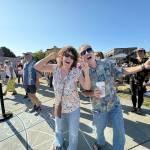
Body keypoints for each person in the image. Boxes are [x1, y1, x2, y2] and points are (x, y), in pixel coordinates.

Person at [79, 44, 150, 150]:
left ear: (93, 52)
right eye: (83, 53)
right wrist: (92, 93)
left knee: (120, 132)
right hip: (99, 109)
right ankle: (100, 143)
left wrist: (143, 66)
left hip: (114, 105)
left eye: (89, 50)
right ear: (81, 58)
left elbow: (122, 71)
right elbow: (83, 91)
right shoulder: (82, 72)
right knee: (99, 130)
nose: (87, 53)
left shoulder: (106, 63)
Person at [34, 46, 91, 150]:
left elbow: (87, 87)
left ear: (73, 60)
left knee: (73, 133)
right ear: (62, 56)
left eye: (72, 57)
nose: (69, 58)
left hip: (73, 108)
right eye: (67, 55)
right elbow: (36, 66)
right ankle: (59, 143)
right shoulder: (55, 67)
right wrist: (49, 57)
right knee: (58, 129)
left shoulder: (76, 71)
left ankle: (72, 147)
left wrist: (86, 72)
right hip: (59, 106)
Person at [127, 48, 150, 113]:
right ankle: (134, 107)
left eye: (141, 51)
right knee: (133, 94)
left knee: (140, 95)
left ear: (144, 52)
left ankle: (139, 108)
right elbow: (127, 57)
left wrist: (146, 81)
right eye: (138, 51)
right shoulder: (134, 60)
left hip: (141, 80)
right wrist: (133, 51)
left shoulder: (146, 60)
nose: (139, 52)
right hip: (133, 79)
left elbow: (149, 72)